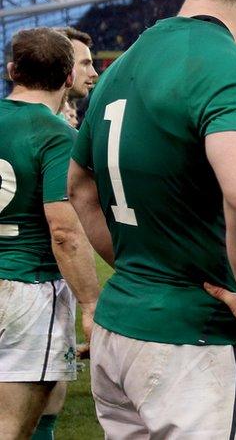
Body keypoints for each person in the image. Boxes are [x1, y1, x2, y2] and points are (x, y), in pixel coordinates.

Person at [67, 0, 236, 437]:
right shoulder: (234, 69)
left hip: (120, 328)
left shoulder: (122, 67)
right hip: (198, 342)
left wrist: (142, 270)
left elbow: (78, 186)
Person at [0, 28, 100, 439]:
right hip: (28, 288)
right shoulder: (58, 135)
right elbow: (65, 232)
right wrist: (92, 304)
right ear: (66, 79)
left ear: (11, 71)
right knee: (11, 427)